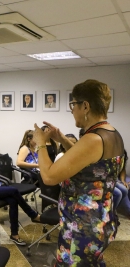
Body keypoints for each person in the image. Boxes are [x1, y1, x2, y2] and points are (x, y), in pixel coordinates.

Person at [33, 79, 124, 266]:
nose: (72, 109)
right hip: (100, 221)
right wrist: (62, 139)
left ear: (85, 106)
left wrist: (41, 143)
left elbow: (49, 177)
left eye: (73, 104)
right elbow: (89, 163)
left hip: (82, 229)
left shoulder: (93, 139)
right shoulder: (111, 133)